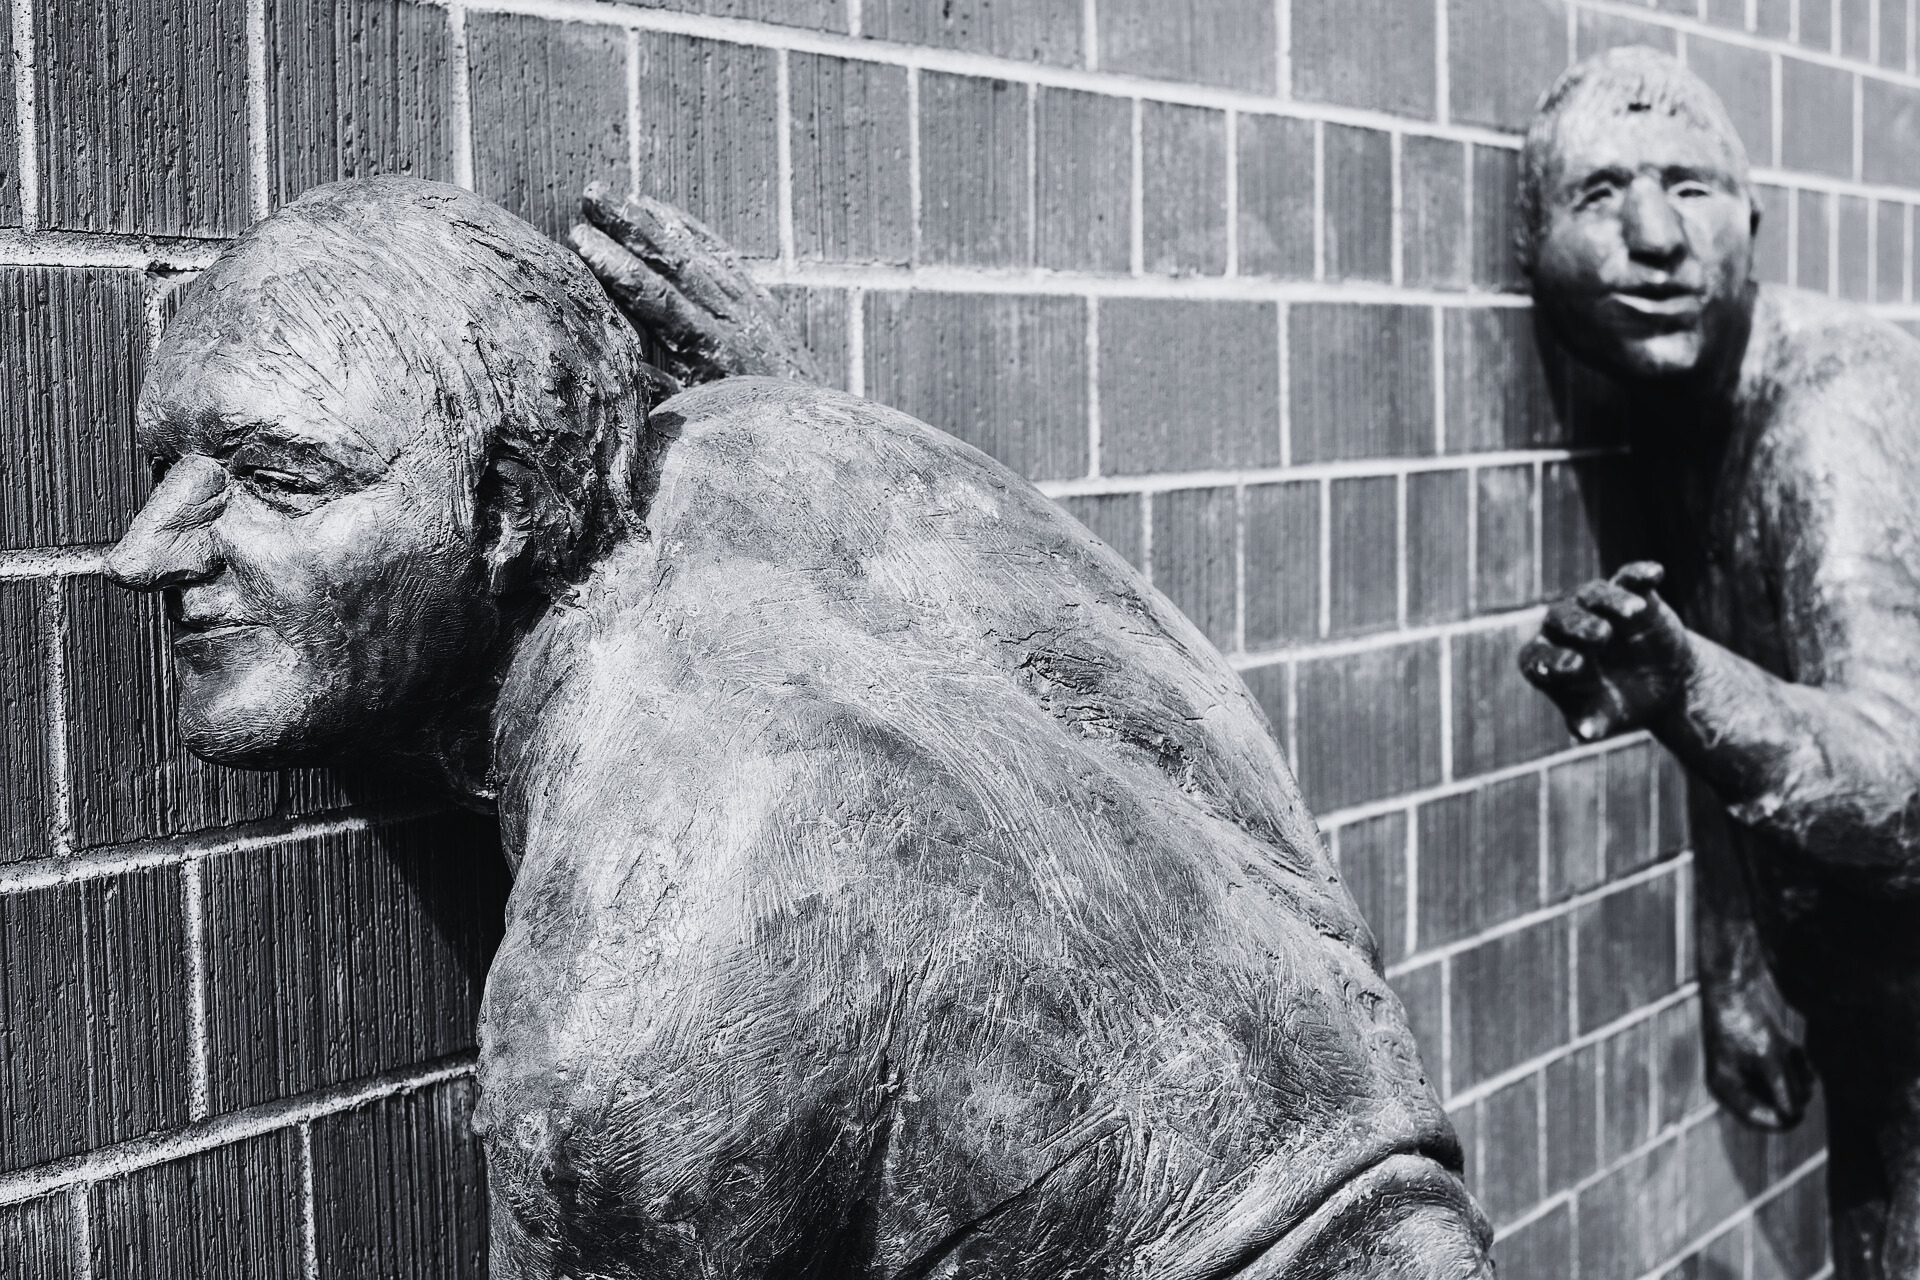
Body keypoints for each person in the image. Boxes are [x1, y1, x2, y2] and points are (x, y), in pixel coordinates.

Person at [107, 176, 1492, 1278]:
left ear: (505, 511)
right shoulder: (803, 444)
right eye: (166, 461)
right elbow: (1227, 784)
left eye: (279, 478)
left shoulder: (631, 993)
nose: (145, 552)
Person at [1515, 47, 1920, 1277]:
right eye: (1599, 195)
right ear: (1531, 247)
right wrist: (1736, 948)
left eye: (1689, 187)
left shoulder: (1820, 423)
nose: (1653, 236)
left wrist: (1687, 688)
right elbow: (1746, 647)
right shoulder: (1688, 407)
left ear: (1755, 218)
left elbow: (1902, 780)